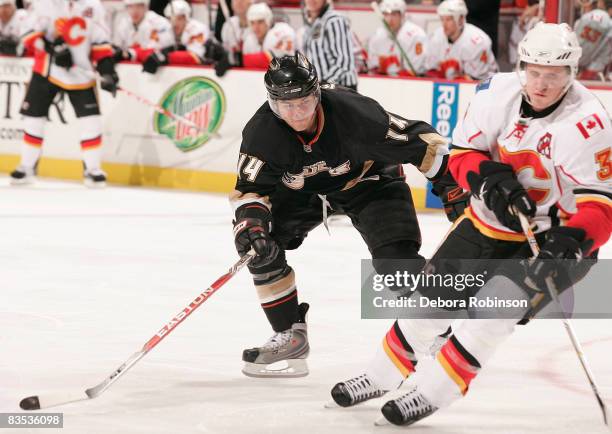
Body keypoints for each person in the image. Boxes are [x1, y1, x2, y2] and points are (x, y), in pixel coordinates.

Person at [330, 22, 612, 426]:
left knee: (490, 312)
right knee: (427, 304)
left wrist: (568, 245)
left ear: (572, 73)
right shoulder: (497, 93)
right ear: (522, 66)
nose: (542, 84)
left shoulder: (591, 123)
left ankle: (431, 392)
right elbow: (461, 154)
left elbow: (601, 207)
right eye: (534, 72)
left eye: (553, 75)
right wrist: (487, 178)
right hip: (487, 222)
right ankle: (380, 375)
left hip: (550, 237)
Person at [230, 51, 466, 378]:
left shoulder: (355, 115)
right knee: (258, 248)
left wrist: (451, 187)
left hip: (369, 181)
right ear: (272, 103)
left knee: (394, 263)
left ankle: (440, 334)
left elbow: (423, 142)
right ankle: (290, 336)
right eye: (286, 105)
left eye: (303, 102)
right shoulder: (262, 134)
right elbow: (249, 191)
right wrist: (251, 227)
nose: (297, 113)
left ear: (317, 95)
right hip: (305, 193)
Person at [10, 0, 119, 186]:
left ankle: (92, 169)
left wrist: (107, 70)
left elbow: (100, 41)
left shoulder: (93, 6)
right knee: (33, 119)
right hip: (46, 70)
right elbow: (28, 32)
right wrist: (51, 49)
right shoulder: (44, 3)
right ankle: (27, 166)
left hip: (81, 73)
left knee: (90, 121)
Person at [425, 0, 497, 80]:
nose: (444, 24)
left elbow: (476, 81)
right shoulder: (436, 37)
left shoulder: (478, 43)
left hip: (485, 87)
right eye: (442, 19)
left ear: (461, 19)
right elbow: (431, 72)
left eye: (448, 19)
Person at [298, 0, 358, 89]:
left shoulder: (334, 20)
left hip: (341, 88)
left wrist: (323, 84)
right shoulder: (310, 22)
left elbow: (344, 62)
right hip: (322, 88)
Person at [142, 0, 211, 74]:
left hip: (202, 73)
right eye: (170, 19)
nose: (174, 23)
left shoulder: (198, 29)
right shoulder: (165, 29)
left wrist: (166, 57)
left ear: (186, 18)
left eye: (179, 18)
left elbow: (195, 57)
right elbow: (151, 49)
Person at [367, 0, 428, 76]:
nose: (389, 19)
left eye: (394, 14)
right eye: (386, 14)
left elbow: (415, 71)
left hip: (409, 83)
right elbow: (373, 69)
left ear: (402, 15)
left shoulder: (416, 35)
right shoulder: (377, 36)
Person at [240, 2, 295, 69]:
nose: (256, 27)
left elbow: (278, 64)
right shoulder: (249, 39)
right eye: (252, 23)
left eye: (260, 22)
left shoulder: (283, 31)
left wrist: (250, 59)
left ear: (268, 21)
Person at [574, 0, 612, 80]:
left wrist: (575, 65)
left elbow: (584, 48)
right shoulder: (603, 18)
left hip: (590, 72)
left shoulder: (599, 17)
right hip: (596, 71)